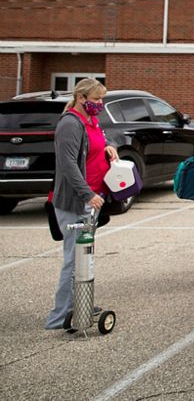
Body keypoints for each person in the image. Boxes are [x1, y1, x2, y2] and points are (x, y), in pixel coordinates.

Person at [45, 78, 119, 331]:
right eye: (96, 99)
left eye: (102, 99)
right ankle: (59, 316)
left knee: (84, 257)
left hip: (93, 199)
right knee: (73, 258)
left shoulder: (91, 120)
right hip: (76, 200)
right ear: (81, 97)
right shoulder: (70, 123)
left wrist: (109, 148)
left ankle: (80, 305)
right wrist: (87, 193)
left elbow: (95, 145)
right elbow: (67, 164)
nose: (100, 104)